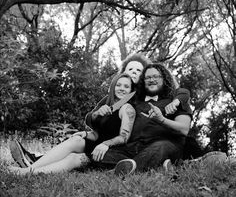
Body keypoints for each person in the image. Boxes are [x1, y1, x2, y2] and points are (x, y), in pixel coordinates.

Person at [10, 53, 191, 168]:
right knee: (77, 142)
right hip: (108, 140)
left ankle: (34, 162)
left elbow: (181, 91)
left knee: (161, 147)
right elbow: (91, 118)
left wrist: (177, 101)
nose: (135, 72)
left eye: (139, 70)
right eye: (130, 69)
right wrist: (94, 122)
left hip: (124, 143)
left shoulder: (153, 97)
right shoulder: (120, 95)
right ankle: (34, 160)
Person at [8, 73, 136, 174]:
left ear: (131, 90)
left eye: (126, 86)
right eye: (119, 85)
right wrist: (86, 134)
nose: (122, 89)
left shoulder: (127, 108)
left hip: (111, 151)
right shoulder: (108, 105)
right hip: (98, 143)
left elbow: (124, 137)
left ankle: (27, 172)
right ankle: (31, 167)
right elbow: (100, 134)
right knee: (75, 140)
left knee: (74, 157)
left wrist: (105, 144)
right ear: (113, 86)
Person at [90, 62, 193, 175]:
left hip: (164, 145)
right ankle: (157, 165)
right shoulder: (135, 101)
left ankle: (122, 170)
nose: (151, 80)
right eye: (147, 77)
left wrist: (162, 120)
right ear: (143, 81)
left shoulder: (174, 100)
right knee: (99, 155)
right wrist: (99, 115)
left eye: (155, 76)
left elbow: (184, 129)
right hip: (133, 149)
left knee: (160, 148)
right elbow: (110, 105)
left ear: (164, 79)